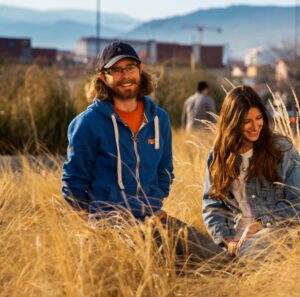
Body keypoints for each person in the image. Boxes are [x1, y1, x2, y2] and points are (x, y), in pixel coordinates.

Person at [62, 41, 230, 265]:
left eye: (130, 67)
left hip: (154, 218)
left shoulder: (159, 118)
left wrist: (152, 199)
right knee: (158, 271)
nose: (125, 76)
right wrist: (96, 226)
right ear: (103, 77)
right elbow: (73, 183)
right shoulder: (87, 123)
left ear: (140, 70)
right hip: (113, 226)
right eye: (116, 70)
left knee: (222, 263)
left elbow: (165, 170)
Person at [202, 85, 300, 258]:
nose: (255, 127)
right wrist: (228, 241)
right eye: (247, 121)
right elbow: (211, 206)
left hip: (275, 235)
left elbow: (297, 203)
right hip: (234, 243)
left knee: (251, 251)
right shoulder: (218, 156)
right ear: (232, 122)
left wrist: (262, 222)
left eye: (259, 118)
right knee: (188, 250)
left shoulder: (283, 150)